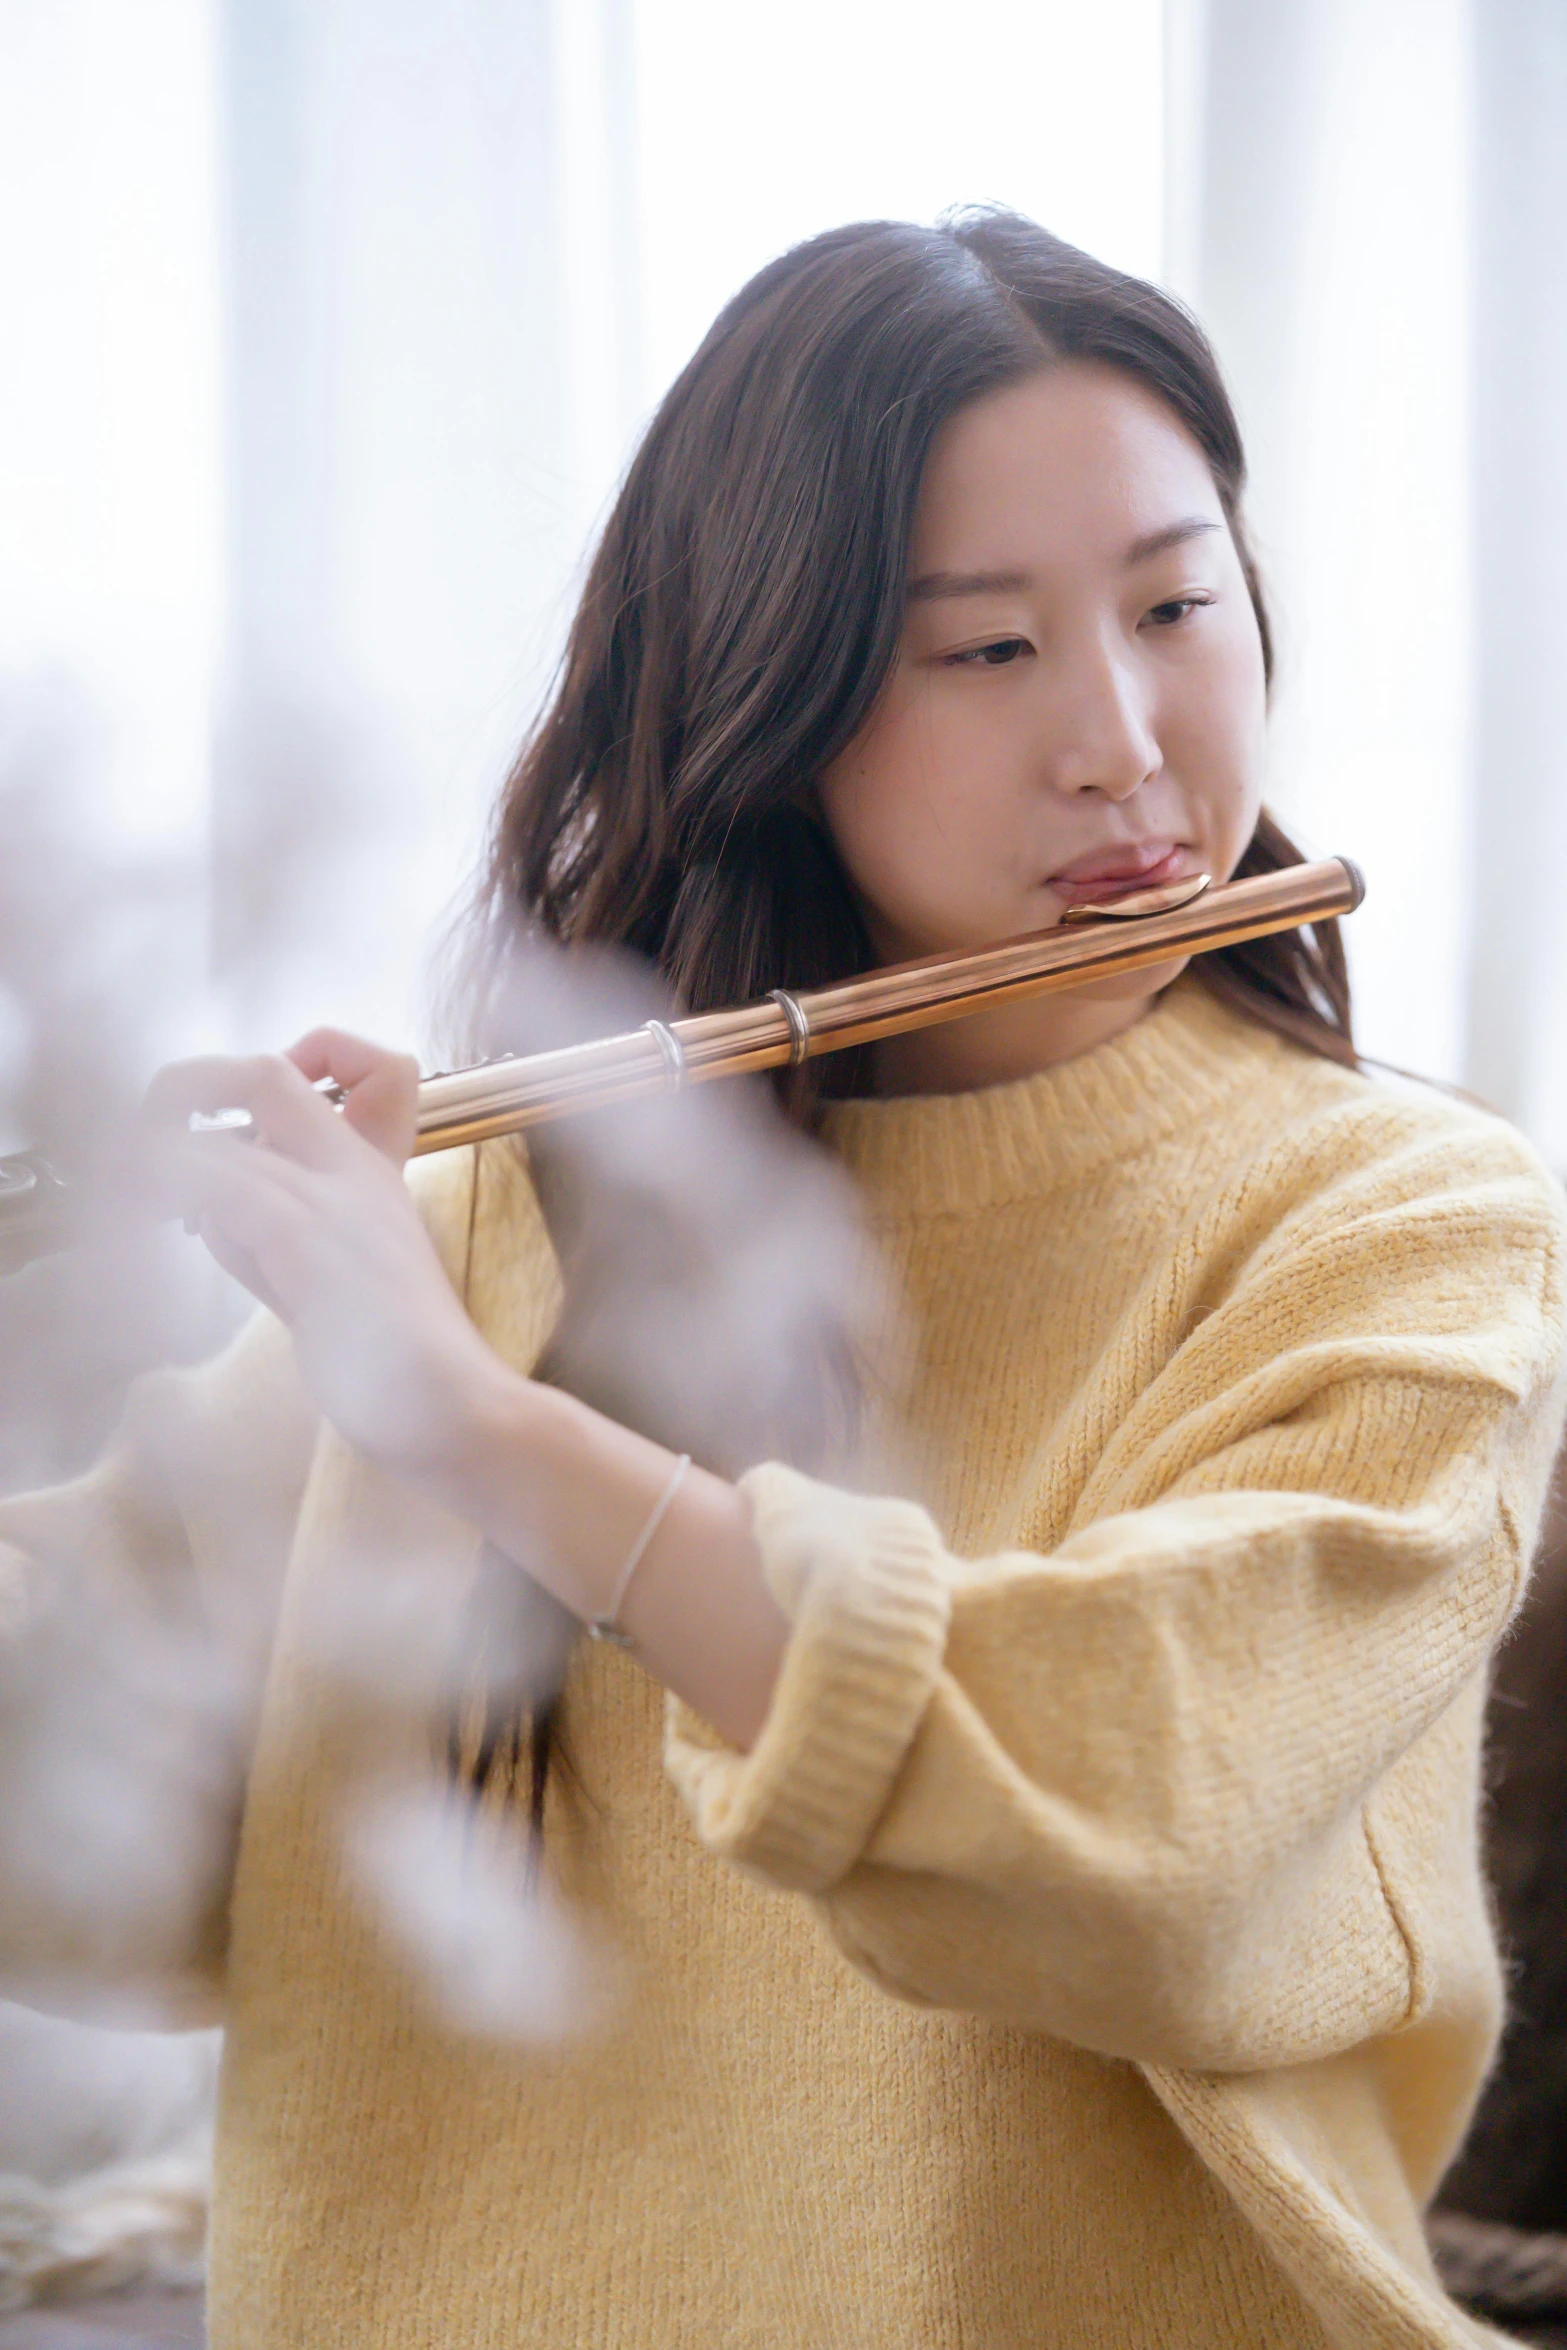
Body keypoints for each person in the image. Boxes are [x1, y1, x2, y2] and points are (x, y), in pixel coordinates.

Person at [2, 209, 1562, 2350]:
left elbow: (1151, 1815)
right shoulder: (501, 1202)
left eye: (1178, 602)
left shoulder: (1405, 1223)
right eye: (987, 649)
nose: (1122, 736)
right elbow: (99, 1789)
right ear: (771, 698)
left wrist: (470, 1417)